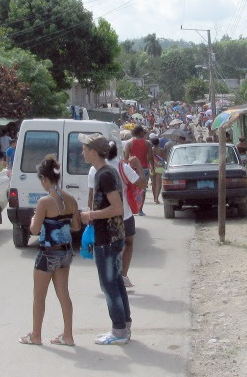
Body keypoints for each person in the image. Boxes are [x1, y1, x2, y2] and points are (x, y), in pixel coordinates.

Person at [19, 155, 80, 346]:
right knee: (64, 294)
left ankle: (36, 335)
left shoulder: (44, 202)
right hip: (66, 253)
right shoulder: (70, 199)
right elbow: (76, 227)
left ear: (44, 179)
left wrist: (33, 218)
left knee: (39, 296)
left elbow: (34, 230)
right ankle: (68, 335)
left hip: (47, 253)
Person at [79, 133, 131, 345]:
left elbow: (116, 207)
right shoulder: (105, 172)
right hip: (113, 236)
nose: (82, 152)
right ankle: (124, 326)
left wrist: (90, 215)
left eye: (84, 149)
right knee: (116, 283)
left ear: (93, 152)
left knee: (109, 286)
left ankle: (118, 331)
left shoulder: (104, 174)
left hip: (108, 238)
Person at [87, 141, 147, 288]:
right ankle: (122, 275)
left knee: (107, 248)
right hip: (124, 214)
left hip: (103, 218)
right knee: (128, 244)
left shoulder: (94, 169)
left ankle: (109, 277)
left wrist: (91, 215)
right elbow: (142, 184)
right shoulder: (123, 167)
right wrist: (138, 164)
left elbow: (91, 196)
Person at [124, 125, 155, 216]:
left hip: (132, 169)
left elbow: (126, 157)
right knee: (143, 189)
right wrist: (152, 167)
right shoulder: (147, 143)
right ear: (140, 132)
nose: (144, 134)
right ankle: (140, 209)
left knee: (131, 188)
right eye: (143, 132)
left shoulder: (129, 143)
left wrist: (125, 168)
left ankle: (131, 208)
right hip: (144, 168)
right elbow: (150, 157)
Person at [150, 137, 165, 204]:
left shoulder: (150, 150)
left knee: (153, 183)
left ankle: (154, 197)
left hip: (152, 166)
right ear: (158, 142)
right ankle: (156, 197)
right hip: (160, 167)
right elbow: (164, 158)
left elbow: (148, 158)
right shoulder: (161, 150)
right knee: (159, 184)